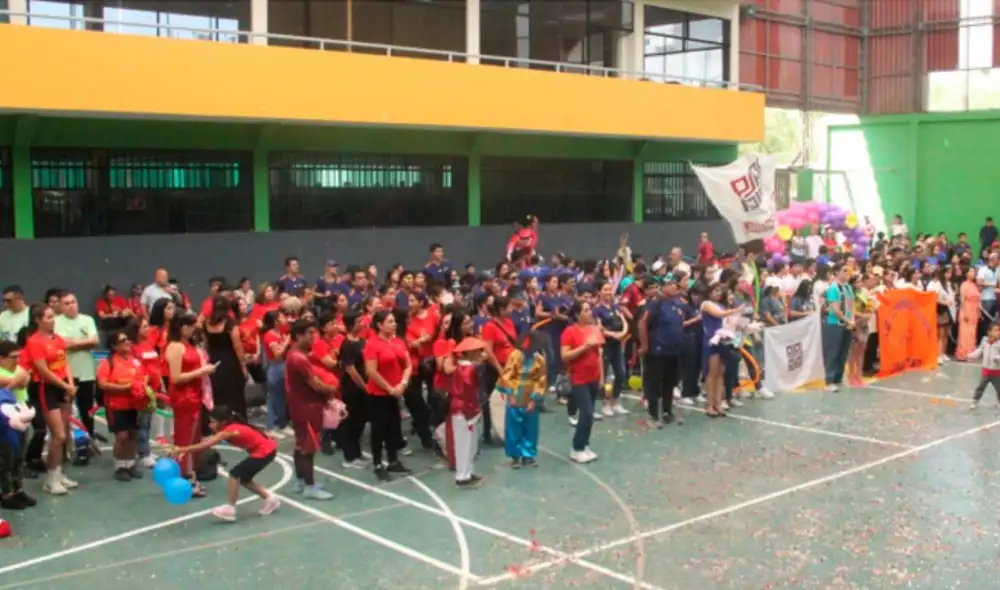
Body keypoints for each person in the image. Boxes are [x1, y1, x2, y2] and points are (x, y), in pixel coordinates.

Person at [168, 405, 281, 522]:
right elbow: (207, 441)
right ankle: (270, 499)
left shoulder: (228, 431)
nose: (210, 425)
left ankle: (230, 509)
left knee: (234, 474)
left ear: (223, 422)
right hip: (268, 450)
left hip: (264, 452)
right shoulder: (227, 428)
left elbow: (205, 445)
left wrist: (181, 449)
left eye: (213, 422)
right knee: (244, 479)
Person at [21, 303, 78, 494]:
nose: (53, 320)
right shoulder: (34, 342)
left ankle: (58, 473)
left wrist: (70, 383)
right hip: (47, 389)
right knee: (58, 435)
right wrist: (65, 386)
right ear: (38, 320)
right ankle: (50, 480)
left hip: (63, 387)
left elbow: (65, 363)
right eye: (48, 317)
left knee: (62, 435)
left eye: (53, 316)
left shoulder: (58, 339)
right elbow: (43, 371)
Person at [284, 318, 337, 500]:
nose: (314, 337)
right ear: (299, 336)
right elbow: (315, 385)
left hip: (300, 406)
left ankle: (301, 480)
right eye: (310, 333)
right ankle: (310, 486)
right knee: (308, 448)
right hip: (306, 408)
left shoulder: (295, 355)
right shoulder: (299, 359)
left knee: (300, 445)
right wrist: (331, 389)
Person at [164, 313, 215, 498]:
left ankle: (190, 475)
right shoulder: (176, 347)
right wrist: (202, 371)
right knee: (184, 440)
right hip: (184, 398)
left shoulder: (188, 345)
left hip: (195, 396)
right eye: (190, 326)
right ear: (181, 326)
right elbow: (176, 377)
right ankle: (184, 477)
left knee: (193, 440)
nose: (194, 329)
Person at [364, 311, 413, 482]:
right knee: (379, 429)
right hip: (378, 394)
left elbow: (408, 365)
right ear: (379, 325)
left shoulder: (399, 342)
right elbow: (371, 371)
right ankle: (378, 464)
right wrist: (389, 388)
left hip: (396, 391)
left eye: (394, 321)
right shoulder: (372, 344)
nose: (394, 324)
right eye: (390, 322)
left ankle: (393, 461)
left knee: (394, 427)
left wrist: (403, 384)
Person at [96, 329, 147, 481]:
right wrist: (125, 388)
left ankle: (130, 463)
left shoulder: (135, 360)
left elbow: (144, 376)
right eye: (122, 341)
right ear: (114, 346)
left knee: (133, 434)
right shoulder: (108, 362)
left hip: (134, 405)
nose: (127, 343)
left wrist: (142, 386)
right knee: (122, 436)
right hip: (116, 406)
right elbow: (103, 384)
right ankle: (120, 465)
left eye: (127, 340)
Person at [496, 331, 548, 468]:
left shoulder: (539, 360)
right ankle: (515, 456)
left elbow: (541, 380)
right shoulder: (515, 356)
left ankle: (528, 455)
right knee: (513, 427)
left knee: (530, 426)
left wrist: (534, 400)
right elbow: (507, 375)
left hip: (530, 394)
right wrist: (511, 395)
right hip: (516, 391)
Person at [561, 300, 603, 463]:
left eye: (590, 309)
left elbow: (598, 354)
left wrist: (601, 376)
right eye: (586, 310)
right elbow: (565, 356)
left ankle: (585, 444)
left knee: (590, 414)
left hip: (594, 376)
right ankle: (576, 447)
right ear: (578, 314)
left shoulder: (594, 329)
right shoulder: (569, 332)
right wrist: (585, 346)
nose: (590, 312)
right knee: (585, 412)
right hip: (579, 378)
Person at [54, 292, 100, 443]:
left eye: (73, 302)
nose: (71, 305)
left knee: (87, 410)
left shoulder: (87, 320)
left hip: (86, 372)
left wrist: (71, 343)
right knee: (65, 412)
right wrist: (83, 342)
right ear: (60, 306)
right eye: (66, 303)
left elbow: (95, 341)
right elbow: (60, 344)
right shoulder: (55, 321)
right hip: (63, 374)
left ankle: (89, 440)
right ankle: (65, 444)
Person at [446, 337, 487, 488]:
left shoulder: (461, 367)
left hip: (460, 409)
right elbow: (469, 394)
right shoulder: (469, 371)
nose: (481, 353)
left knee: (467, 444)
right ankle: (462, 476)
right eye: (479, 351)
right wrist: (474, 412)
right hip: (465, 411)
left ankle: (467, 472)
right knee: (465, 444)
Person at [0, 340, 34, 510]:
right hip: (5, 420)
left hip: (23, 415)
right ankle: (6, 494)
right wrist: (14, 381)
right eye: (13, 357)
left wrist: (13, 381)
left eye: (19, 356)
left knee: (20, 456)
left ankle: (18, 489)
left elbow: (25, 379)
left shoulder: (17, 369)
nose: (17, 360)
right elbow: (18, 381)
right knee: (6, 457)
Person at [204, 295, 248, 420]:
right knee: (234, 395)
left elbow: (206, 345)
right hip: (230, 362)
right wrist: (243, 366)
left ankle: (219, 423)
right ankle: (237, 422)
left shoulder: (206, 323)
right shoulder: (229, 323)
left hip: (213, 360)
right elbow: (237, 346)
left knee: (217, 395)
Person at [967, 323, 1000, 410]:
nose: (998, 332)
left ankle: (998, 401)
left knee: (999, 388)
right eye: (995, 330)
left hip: (997, 372)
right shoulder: (984, 341)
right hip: (985, 371)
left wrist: (998, 358)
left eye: (999, 330)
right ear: (989, 332)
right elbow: (979, 351)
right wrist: (971, 355)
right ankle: (975, 401)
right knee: (980, 387)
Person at [957, 268, 982, 361]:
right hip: (967, 309)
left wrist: (978, 311)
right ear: (966, 273)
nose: (973, 273)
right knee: (965, 333)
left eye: (974, 271)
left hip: (974, 311)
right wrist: (965, 312)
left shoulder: (974, 285)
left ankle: (971, 352)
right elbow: (962, 300)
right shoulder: (964, 285)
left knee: (972, 333)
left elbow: (978, 298)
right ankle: (963, 353)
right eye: (971, 271)